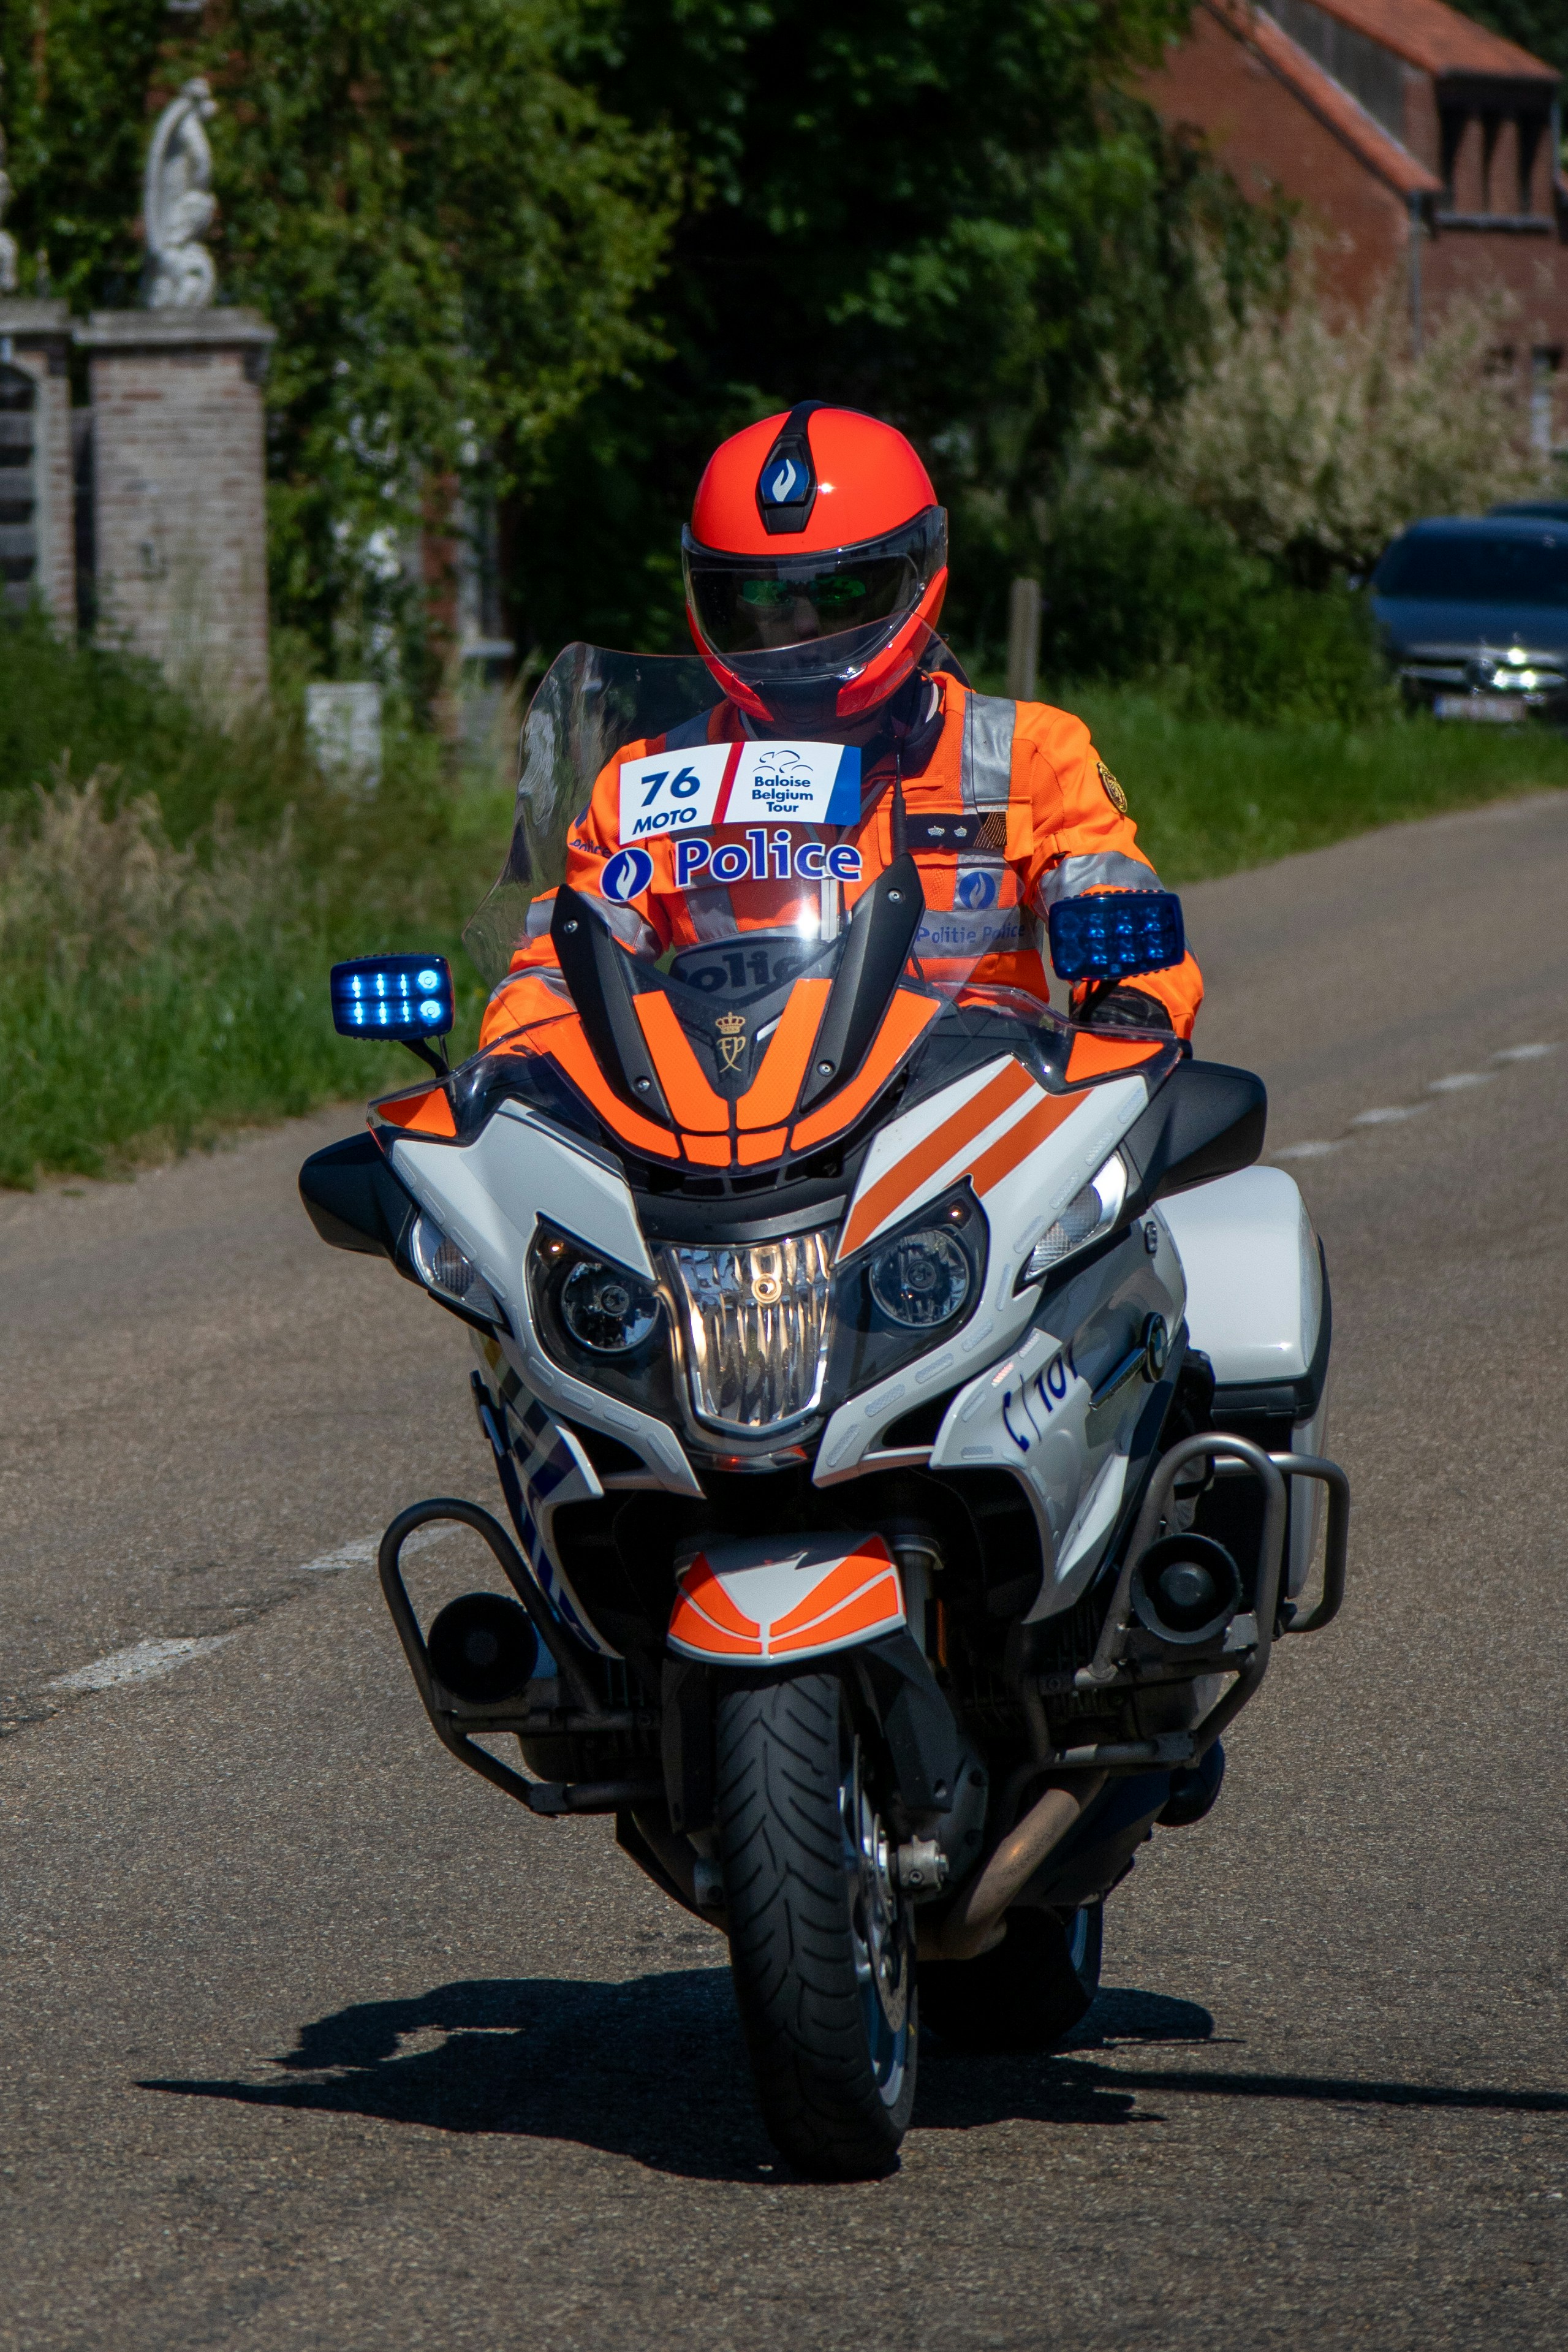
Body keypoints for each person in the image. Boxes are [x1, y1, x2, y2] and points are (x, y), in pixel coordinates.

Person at [480, 403, 1202, 1048]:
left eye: (841, 593)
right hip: (733, 1128)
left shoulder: (1028, 757)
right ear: (715, 593)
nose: (800, 627)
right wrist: (517, 1055)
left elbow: (1120, 918)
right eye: (765, 596)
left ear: (917, 575)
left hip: (978, 1124)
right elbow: (561, 963)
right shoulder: (649, 784)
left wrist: (1132, 1003)